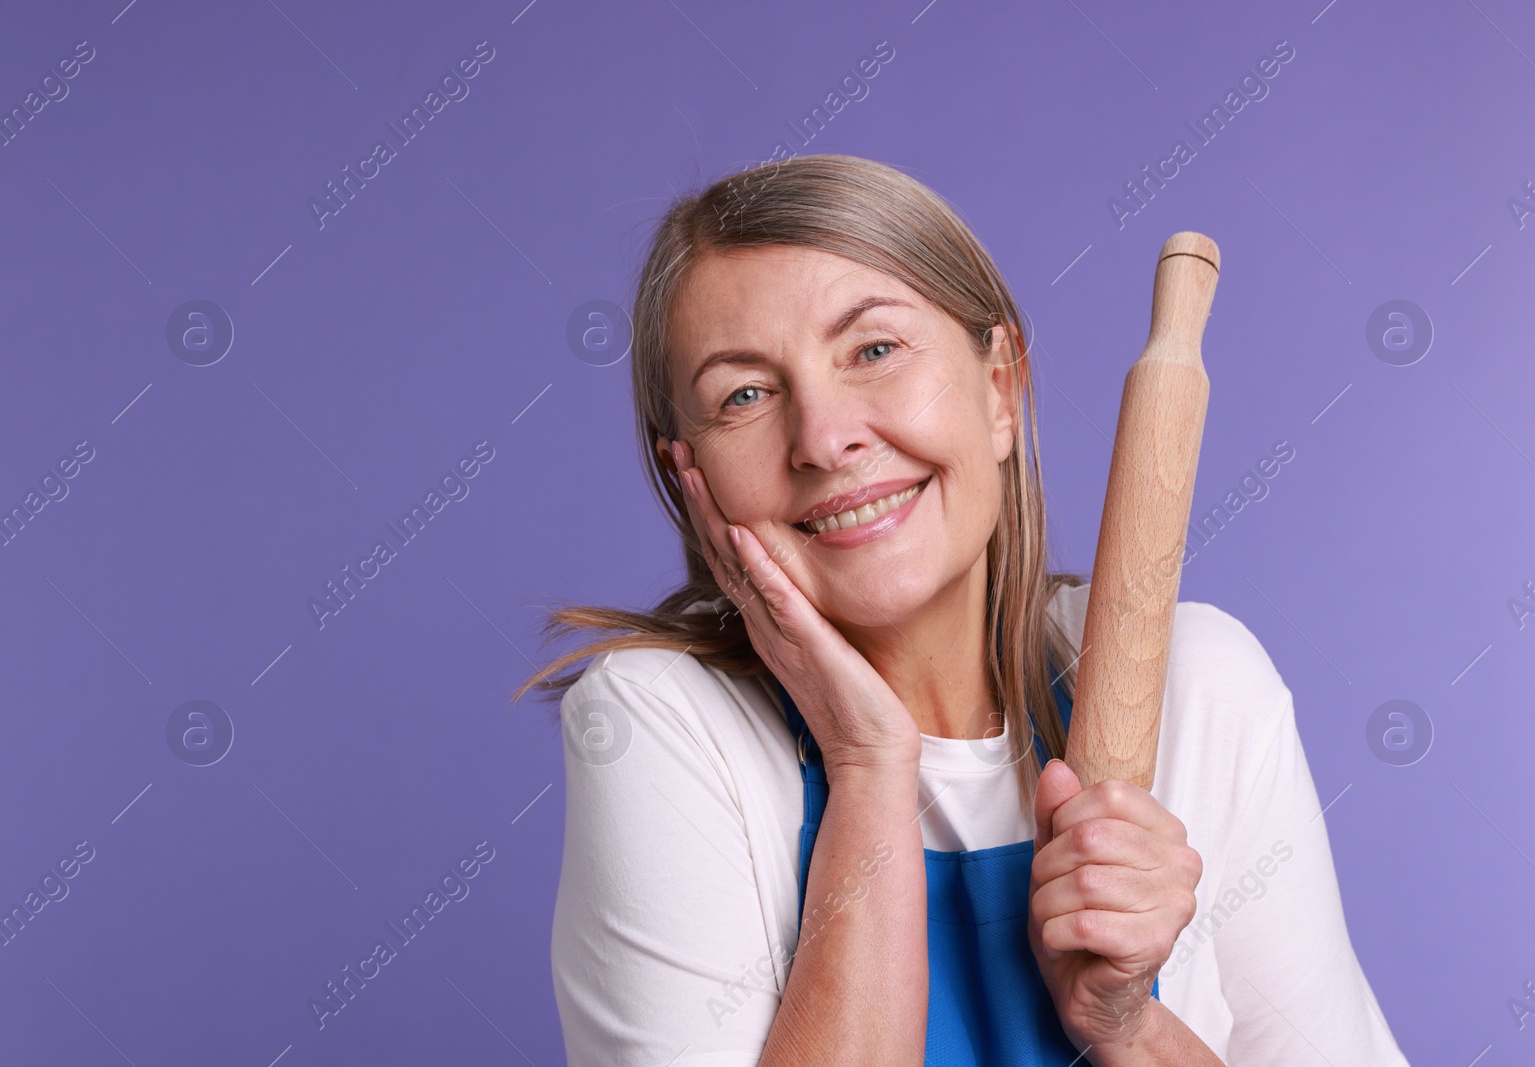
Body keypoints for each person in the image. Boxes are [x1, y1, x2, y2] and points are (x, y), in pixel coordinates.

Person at [520, 153, 1409, 1065]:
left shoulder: (1201, 685)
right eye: (744, 394)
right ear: (690, 475)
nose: (825, 439)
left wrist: (1126, 1025)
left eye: (874, 349)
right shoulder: (660, 723)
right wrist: (867, 766)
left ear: (1000, 388)